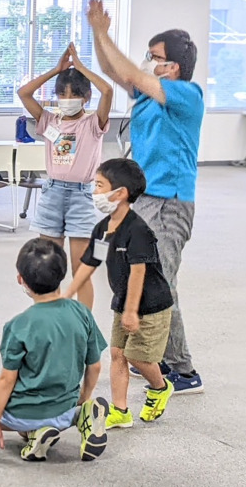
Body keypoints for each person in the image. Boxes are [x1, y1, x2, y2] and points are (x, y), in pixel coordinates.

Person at [87, 0, 205, 394]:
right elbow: (113, 70)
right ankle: (156, 356)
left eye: (155, 57)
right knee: (149, 276)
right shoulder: (148, 97)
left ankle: (182, 369)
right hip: (145, 198)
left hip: (170, 201)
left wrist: (105, 34)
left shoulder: (187, 94)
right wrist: (96, 32)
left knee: (161, 282)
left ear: (172, 67)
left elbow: (129, 72)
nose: (147, 63)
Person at [62, 159, 175, 429]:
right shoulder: (103, 228)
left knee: (138, 357)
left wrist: (132, 311)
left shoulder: (138, 231)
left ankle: (160, 387)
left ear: (120, 193)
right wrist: (66, 296)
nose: (95, 192)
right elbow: (89, 263)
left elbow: (139, 272)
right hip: (123, 301)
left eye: (100, 185)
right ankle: (121, 410)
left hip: (150, 304)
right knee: (117, 353)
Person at [0, 238, 109, 463]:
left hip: (24, 413)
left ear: (21, 280)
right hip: (65, 408)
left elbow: (6, 379)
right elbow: (95, 366)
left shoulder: (18, 325)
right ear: (63, 274)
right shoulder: (82, 313)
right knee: (72, 407)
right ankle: (81, 415)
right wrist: (81, 399)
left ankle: (35, 432)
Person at [17, 42, 113, 309]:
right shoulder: (50, 120)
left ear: (86, 97)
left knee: (80, 268)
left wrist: (81, 67)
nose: (67, 100)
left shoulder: (93, 123)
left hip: (82, 195)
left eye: (74, 95)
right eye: (62, 94)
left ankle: (83, 324)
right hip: (52, 192)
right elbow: (23, 93)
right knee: (47, 266)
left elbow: (108, 90)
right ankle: (51, 317)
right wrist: (56, 70)